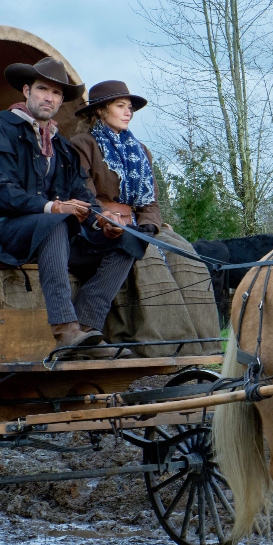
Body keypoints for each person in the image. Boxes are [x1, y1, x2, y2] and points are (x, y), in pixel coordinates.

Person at [0, 57, 144, 357]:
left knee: (128, 240)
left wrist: (102, 218)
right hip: (0, 231)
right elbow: (0, 193)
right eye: (43, 89)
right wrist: (52, 208)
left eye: (56, 93)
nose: (49, 97)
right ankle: (65, 329)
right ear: (26, 91)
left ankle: (86, 330)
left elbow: (80, 191)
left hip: (50, 236)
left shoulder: (60, 146)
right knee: (55, 223)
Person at [69, 81, 221, 354]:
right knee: (146, 256)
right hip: (96, 225)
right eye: (120, 106)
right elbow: (82, 194)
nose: (128, 112)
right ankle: (159, 345)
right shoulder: (83, 145)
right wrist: (107, 219)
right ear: (101, 110)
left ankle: (203, 345)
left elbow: (150, 202)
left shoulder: (139, 150)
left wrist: (149, 226)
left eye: (130, 107)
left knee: (185, 255)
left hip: (137, 223)